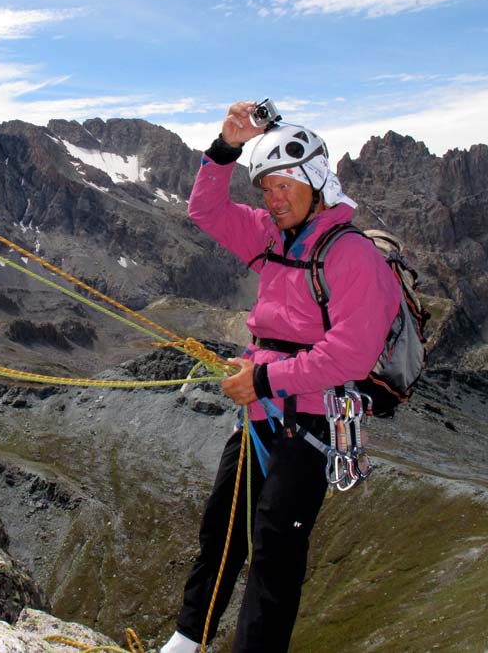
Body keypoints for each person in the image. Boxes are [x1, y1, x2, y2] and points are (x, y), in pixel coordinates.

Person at [159, 101, 401, 653]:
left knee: (274, 550)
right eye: (264, 187)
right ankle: (184, 641)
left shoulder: (353, 256)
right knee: (223, 528)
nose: (272, 198)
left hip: (313, 420)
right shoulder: (270, 236)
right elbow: (206, 211)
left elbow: (352, 355)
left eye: (283, 184)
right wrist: (226, 146)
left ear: (317, 179)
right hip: (262, 413)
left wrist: (264, 382)